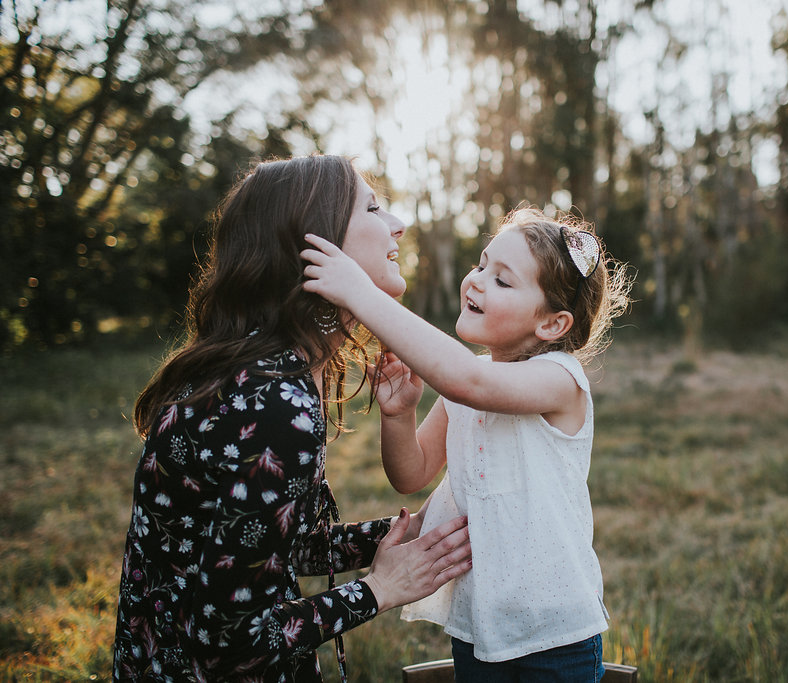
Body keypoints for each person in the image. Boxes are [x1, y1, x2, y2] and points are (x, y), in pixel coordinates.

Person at [112, 154, 472, 682]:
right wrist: (379, 589)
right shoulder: (275, 403)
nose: (398, 223)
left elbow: (279, 547)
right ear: (319, 243)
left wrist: (413, 534)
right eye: (372, 208)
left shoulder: (252, 370)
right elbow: (230, 642)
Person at [301, 206, 633, 682]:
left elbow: (467, 379)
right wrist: (398, 414)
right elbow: (410, 474)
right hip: (479, 624)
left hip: (556, 631)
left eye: (502, 280)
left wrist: (361, 293)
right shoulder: (468, 388)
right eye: (481, 264)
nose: (476, 281)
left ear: (552, 325)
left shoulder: (559, 380)